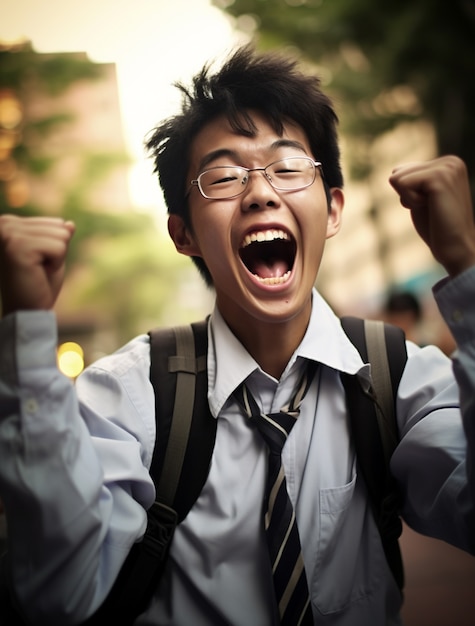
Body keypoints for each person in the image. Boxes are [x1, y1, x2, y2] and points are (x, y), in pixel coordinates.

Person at [0, 45, 474, 626]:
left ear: (331, 210)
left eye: (288, 166)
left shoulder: (399, 377)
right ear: (184, 235)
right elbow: (61, 594)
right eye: (223, 176)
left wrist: (468, 270)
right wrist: (24, 331)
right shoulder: (127, 399)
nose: (259, 192)